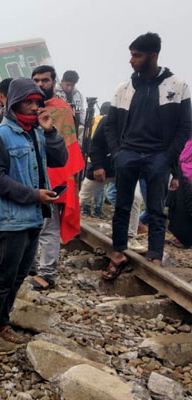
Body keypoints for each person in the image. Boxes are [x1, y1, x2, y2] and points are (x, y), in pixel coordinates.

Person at [0, 77, 68, 354]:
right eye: (28, 101)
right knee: (5, 276)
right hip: (12, 218)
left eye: (36, 101)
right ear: (15, 103)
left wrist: (51, 132)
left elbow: (60, 160)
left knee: (18, 276)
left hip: (33, 216)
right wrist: (33, 195)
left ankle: (2, 324)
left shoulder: (37, 132)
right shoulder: (0, 135)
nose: (33, 106)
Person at [103, 32, 191, 278]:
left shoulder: (177, 85)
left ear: (153, 56)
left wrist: (168, 156)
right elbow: (111, 125)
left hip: (158, 157)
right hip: (128, 154)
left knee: (155, 210)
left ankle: (155, 257)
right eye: (131, 55)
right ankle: (118, 254)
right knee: (121, 207)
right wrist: (118, 153)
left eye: (137, 55)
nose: (131, 60)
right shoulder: (124, 87)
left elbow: (185, 126)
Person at [29, 65, 85, 290]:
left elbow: (68, 149)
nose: (40, 84)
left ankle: (47, 272)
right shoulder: (28, 107)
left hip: (55, 176)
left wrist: (66, 180)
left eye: (45, 80)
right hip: (31, 175)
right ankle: (31, 265)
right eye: (36, 80)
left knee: (48, 226)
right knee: (32, 224)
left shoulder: (61, 110)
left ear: (54, 82)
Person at [79, 114, 147, 252]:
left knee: (135, 198)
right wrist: (97, 166)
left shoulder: (140, 120)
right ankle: (65, 227)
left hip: (126, 170)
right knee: (81, 199)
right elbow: (94, 144)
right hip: (102, 169)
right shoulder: (109, 119)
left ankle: (130, 237)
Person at [169, 138, 192, 248]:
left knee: (183, 211)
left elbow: (183, 157)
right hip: (186, 176)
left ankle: (184, 240)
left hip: (187, 177)